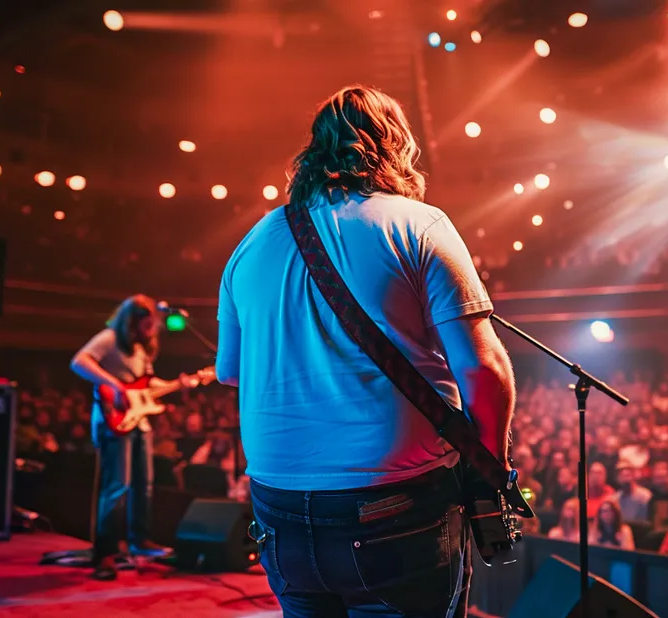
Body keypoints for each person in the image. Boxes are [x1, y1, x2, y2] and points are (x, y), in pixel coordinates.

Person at [216, 85, 516, 618]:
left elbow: (232, 374)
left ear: (313, 150)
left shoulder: (251, 243)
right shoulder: (419, 224)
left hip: (277, 508)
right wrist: (490, 467)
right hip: (396, 507)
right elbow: (484, 369)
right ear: (396, 145)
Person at [70, 294, 194, 581]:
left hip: (140, 424)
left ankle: (140, 540)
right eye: (148, 322)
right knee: (117, 487)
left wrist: (180, 384)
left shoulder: (142, 348)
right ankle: (106, 553)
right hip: (114, 421)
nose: (153, 328)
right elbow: (79, 361)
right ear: (133, 320)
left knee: (143, 485)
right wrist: (114, 384)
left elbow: (149, 385)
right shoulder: (110, 338)